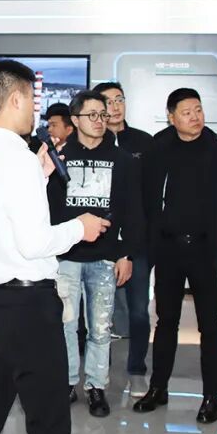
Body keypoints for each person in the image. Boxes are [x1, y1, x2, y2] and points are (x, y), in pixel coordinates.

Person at [0, 59, 109, 434]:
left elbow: (3, 219)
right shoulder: (18, 158)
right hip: (27, 310)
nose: (35, 111)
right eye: (32, 100)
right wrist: (80, 227)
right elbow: (33, 242)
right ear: (15, 98)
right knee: (48, 428)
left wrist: (39, 180)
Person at [133, 88, 217, 425]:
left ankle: (211, 396)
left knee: (210, 324)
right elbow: (146, 198)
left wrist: (213, 238)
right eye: (186, 112)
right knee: (166, 322)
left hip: (204, 251)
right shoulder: (157, 151)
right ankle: (158, 387)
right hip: (168, 250)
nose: (195, 117)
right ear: (171, 117)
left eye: (198, 109)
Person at [48, 91, 144, 418]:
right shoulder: (58, 158)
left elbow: (133, 211)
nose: (100, 120)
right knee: (65, 325)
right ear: (75, 120)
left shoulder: (123, 160)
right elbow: (47, 209)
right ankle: (66, 382)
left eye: (102, 115)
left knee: (101, 328)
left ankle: (96, 386)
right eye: (92, 115)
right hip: (65, 258)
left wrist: (126, 254)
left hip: (105, 258)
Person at [93, 81, 155, 395]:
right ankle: (94, 372)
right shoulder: (92, 142)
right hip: (99, 240)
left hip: (138, 241)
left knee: (139, 309)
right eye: (108, 101)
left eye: (120, 99)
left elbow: (152, 195)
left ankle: (137, 367)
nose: (115, 107)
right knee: (96, 312)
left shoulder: (144, 142)